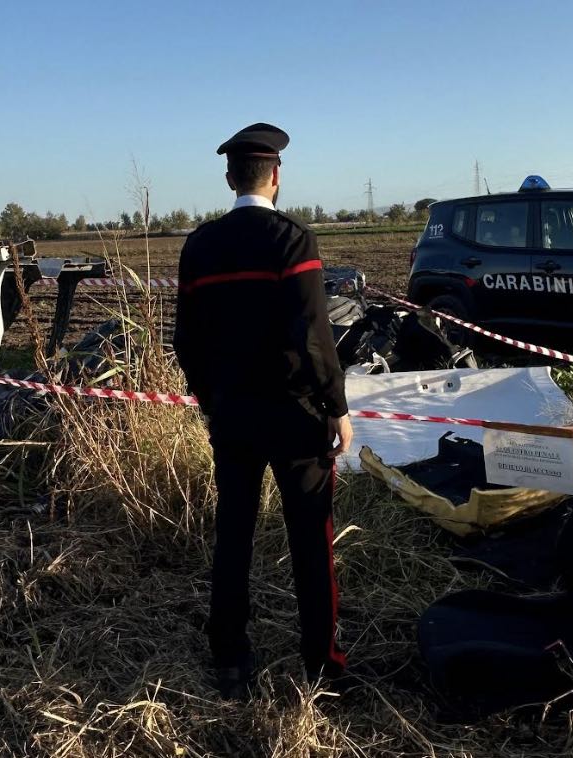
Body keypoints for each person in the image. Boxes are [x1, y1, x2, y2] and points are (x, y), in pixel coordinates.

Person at [173, 122, 354, 698]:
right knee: (310, 538)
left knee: (234, 535)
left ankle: (229, 659)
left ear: (230, 178)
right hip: (295, 417)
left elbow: (185, 340)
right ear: (276, 177)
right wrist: (337, 406)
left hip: (233, 416)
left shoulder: (199, 246)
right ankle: (321, 666)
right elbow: (315, 337)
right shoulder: (292, 242)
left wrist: (211, 399)